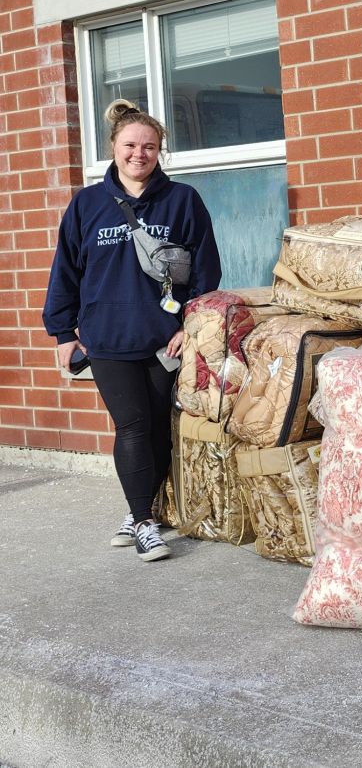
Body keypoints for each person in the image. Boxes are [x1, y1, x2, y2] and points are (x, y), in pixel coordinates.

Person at [43, 100, 221, 562]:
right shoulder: (87, 204)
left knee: (159, 427)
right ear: (113, 147)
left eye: (149, 146)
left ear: (160, 151)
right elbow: (66, 271)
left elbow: (205, 271)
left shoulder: (182, 200)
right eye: (130, 145)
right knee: (133, 425)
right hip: (106, 337)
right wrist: (63, 332)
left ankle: (140, 508)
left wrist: (191, 325)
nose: (138, 154)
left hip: (165, 338)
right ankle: (143, 521)